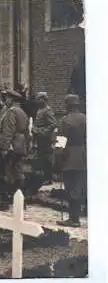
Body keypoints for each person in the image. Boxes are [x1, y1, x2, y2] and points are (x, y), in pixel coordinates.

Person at [0, 88, 29, 211]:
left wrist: (4, 148)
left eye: (7, 98)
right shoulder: (22, 112)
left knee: (4, 173)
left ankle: (3, 202)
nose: (6, 100)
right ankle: (21, 201)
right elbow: (26, 132)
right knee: (19, 172)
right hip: (21, 145)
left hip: (11, 146)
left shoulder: (10, 112)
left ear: (11, 99)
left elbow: (8, 132)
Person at [56, 94, 86, 228]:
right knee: (79, 186)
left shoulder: (65, 120)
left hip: (69, 156)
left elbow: (61, 141)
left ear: (68, 105)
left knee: (70, 188)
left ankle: (73, 219)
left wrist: (58, 157)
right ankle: (76, 217)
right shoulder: (85, 118)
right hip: (82, 155)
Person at [32, 92, 58, 184]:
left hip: (45, 139)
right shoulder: (40, 110)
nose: (37, 101)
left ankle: (48, 178)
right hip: (40, 139)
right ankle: (44, 177)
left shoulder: (47, 111)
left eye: (39, 99)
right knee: (41, 158)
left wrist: (40, 131)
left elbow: (53, 124)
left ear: (44, 100)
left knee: (47, 158)